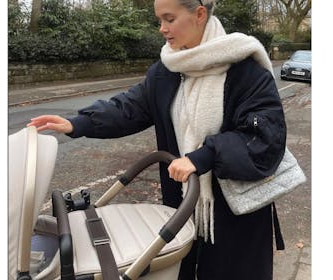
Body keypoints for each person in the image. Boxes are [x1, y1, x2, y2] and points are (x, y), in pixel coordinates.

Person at [27, 0, 286, 279]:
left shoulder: (246, 70)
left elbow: (263, 136)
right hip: (184, 204)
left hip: (235, 212)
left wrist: (202, 157)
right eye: (159, 20)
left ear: (199, 14)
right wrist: (78, 123)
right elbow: (129, 107)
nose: (162, 28)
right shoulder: (168, 69)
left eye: (169, 19)